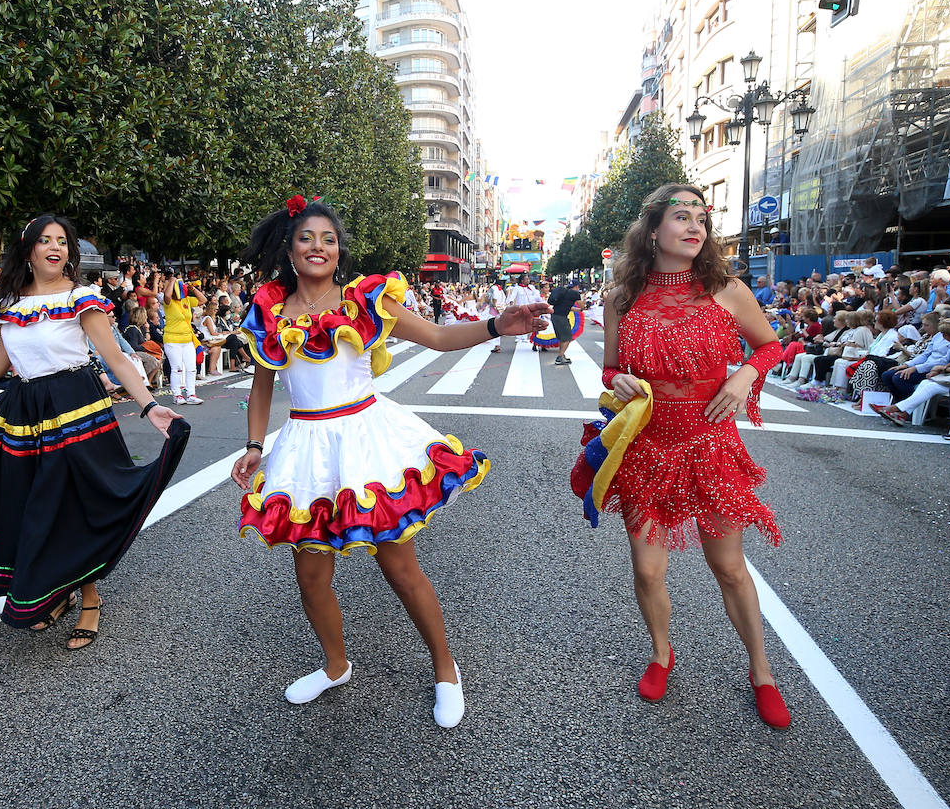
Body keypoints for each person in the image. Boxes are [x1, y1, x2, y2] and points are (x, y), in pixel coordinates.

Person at [230, 194, 548, 728]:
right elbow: (263, 386)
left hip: (366, 439)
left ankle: (446, 669)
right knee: (309, 574)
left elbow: (441, 338)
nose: (318, 247)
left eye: (328, 239)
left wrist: (499, 325)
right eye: (307, 237)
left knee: (399, 565)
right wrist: (255, 446)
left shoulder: (364, 300)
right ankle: (335, 666)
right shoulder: (268, 310)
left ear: (339, 251)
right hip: (306, 447)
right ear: (289, 247)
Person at [0, 216, 190, 649]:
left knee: (75, 500)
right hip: (25, 409)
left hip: (77, 406)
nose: (55, 247)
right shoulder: (10, 303)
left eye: (61, 242)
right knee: (35, 502)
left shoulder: (81, 298)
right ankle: (61, 589)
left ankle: (89, 597)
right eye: (45, 240)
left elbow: (117, 359)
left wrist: (149, 406)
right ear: (29, 249)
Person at [594, 183, 789, 728]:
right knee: (648, 570)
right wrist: (621, 380)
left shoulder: (726, 289)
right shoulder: (621, 298)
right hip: (647, 446)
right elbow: (608, 370)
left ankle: (762, 672)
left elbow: (771, 344)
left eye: (702, 218)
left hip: (710, 443)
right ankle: (662, 653)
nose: (695, 226)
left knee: (728, 567)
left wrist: (746, 373)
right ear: (652, 230)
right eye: (681, 217)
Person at [163, 272, 206, 405]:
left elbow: (203, 300)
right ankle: (177, 395)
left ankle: (191, 394)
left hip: (187, 340)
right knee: (177, 369)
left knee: (191, 367)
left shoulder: (186, 300)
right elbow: (167, 295)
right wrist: (171, 281)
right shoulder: (168, 303)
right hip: (172, 340)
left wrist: (193, 289)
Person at [547, 279, 582, 366]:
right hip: (561, 317)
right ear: (577, 287)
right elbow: (582, 305)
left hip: (554, 315)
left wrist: (579, 310)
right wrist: (584, 303)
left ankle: (562, 355)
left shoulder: (564, 292)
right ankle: (560, 357)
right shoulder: (575, 294)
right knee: (567, 338)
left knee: (561, 338)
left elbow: (567, 307)